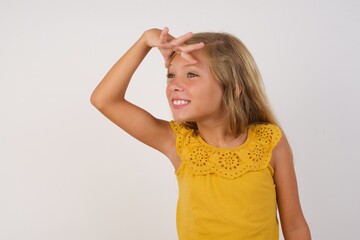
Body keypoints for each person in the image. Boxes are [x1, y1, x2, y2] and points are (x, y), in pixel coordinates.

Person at [90, 27, 311, 240]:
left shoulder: (270, 142)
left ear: (234, 86)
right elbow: (104, 100)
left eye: (192, 74)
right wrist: (146, 40)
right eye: (171, 75)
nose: (175, 85)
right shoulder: (177, 142)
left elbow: (294, 225)